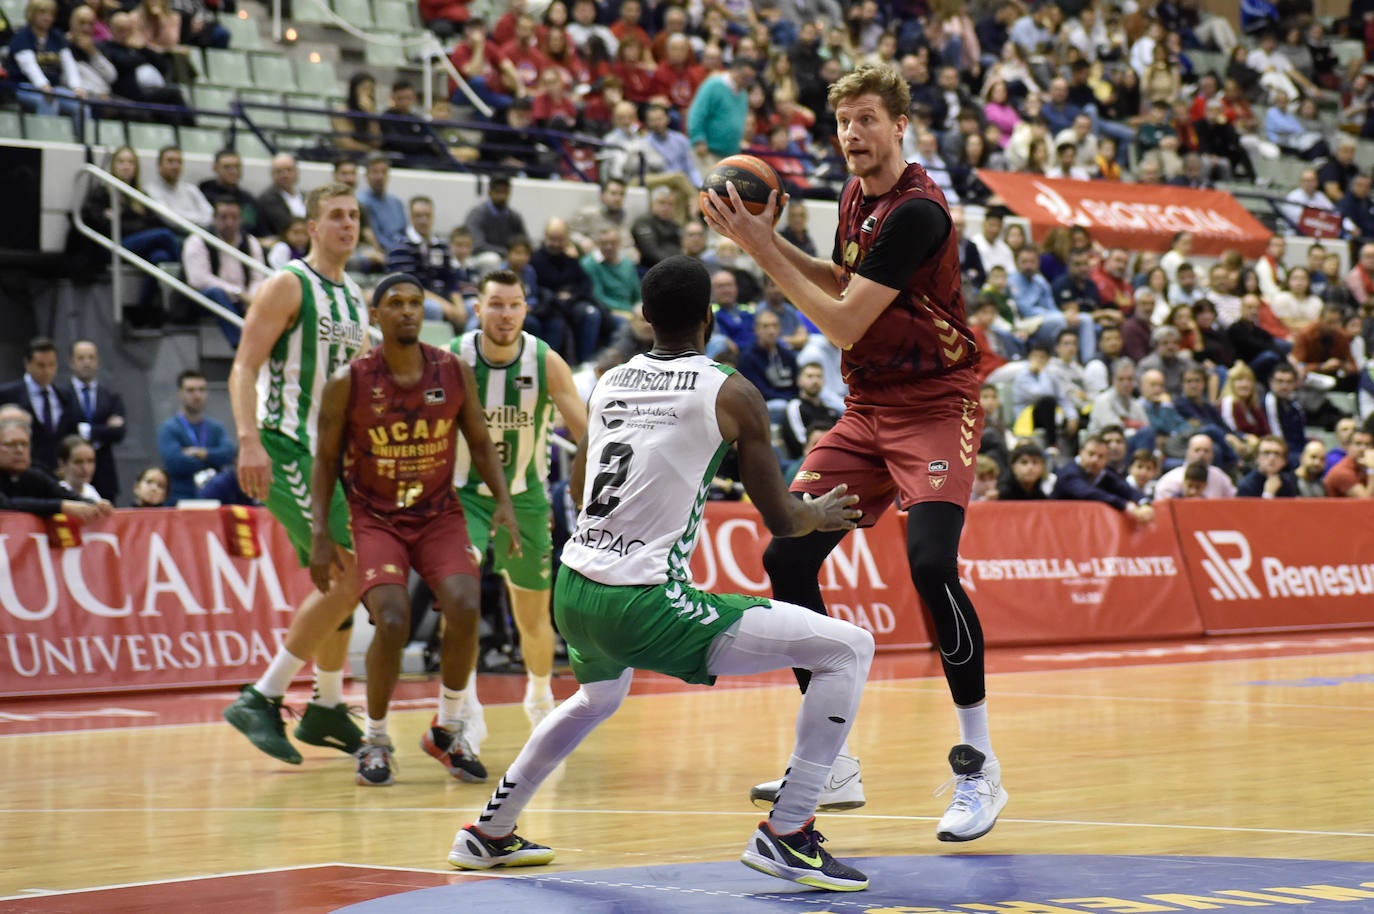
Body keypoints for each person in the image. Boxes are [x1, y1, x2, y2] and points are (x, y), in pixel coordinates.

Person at [448, 256, 873, 891]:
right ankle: (787, 831)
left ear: (644, 318)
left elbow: (576, 478)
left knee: (596, 696)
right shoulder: (731, 391)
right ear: (710, 317)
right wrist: (823, 512)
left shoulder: (611, 378)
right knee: (848, 649)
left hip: (575, 585)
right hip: (642, 600)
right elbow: (783, 521)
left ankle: (488, 832)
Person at [702, 64, 1006, 841]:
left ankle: (980, 769)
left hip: (937, 405)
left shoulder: (918, 213)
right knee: (789, 554)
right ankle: (829, 758)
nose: (851, 136)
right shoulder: (852, 197)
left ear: (900, 123)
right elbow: (842, 280)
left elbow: (842, 322)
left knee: (932, 565)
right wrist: (770, 242)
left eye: (867, 120)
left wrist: (759, 248)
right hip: (868, 409)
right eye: (843, 124)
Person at [309, 274, 518, 787]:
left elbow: (481, 441)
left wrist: (506, 503)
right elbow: (325, 462)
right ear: (375, 316)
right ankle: (375, 737)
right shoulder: (351, 382)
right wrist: (319, 533)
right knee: (394, 617)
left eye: (415, 303)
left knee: (467, 604)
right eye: (395, 303)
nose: (407, 310)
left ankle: (447, 728)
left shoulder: (451, 370)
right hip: (375, 516)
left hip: (438, 513)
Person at [222, 183, 371, 766]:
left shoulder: (356, 299)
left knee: (341, 579)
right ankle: (262, 697)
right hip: (284, 447)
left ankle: (328, 705)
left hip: (332, 461)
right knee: (352, 572)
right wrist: (248, 438)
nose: (347, 225)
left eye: (354, 216)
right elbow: (243, 366)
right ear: (311, 226)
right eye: (335, 216)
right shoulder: (289, 283)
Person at [448, 270, 589, 731]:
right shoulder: (454, 357)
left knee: (531, 612)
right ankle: (464, 705)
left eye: (513, 305)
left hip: (525, 498)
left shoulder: (544, 361)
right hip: (464, 495)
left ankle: (539, 697)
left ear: (526, 309)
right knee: (459, 598)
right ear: (477, 308)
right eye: (496, 304)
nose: (505, 314)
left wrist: (589, 482)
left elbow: (589, 433)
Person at [0, 416, 113, 519]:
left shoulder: (34, 476)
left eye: (24, 444)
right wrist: (60, 506)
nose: (19, 450)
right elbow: (6, 504)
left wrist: (95, 504)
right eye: (11, 444)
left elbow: (64, 495)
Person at [0, 337, 80, 475]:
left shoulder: (65, 396)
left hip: (57, 471)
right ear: (28, 364)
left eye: (52, 365)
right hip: (21, 471)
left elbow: (71, 434)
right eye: (41, 365)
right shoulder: (7, 395)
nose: (47, 371)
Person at [156, 369, 236, 504]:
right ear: (180, 393)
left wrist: (201, 453)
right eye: (190, 390)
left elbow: (229, 454)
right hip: (180, 498)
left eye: (201, 390)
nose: (197, 395)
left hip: (215, 497)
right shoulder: (169, 428)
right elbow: (175, 462)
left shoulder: (216, 428)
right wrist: (213, 460)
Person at [1050, 434, 1153, 523]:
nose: (1095, 460)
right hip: (1058, 526)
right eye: (1091, 454)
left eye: (1100, 456)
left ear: (1107, 459)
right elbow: (1087, 493)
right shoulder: (1068, 473)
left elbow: (1126, 490)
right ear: (1080, 453)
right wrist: (1126, 506)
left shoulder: (1105, 473)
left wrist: (1144, 504)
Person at [1154, 434, 1238, 501]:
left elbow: (1233, 500)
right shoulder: (1170, 480)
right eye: (1197, 450)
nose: (1202, 455)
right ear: (1188, 452)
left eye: (1206, 451)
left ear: (1212, 455)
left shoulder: (1219, 476)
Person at [56, 434, 100, 501]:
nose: (85, 468)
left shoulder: (91, 491)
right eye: (78, 462)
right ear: (62, 464)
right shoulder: (56, 494)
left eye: (90, 461)